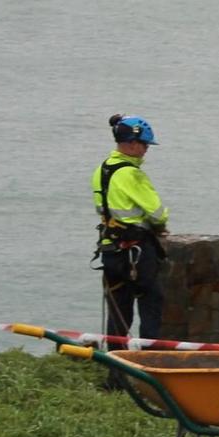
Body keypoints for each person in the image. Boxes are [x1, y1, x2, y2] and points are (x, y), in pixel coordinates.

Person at [92, 114, 169, 340]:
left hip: (110, 249)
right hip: (137, 250)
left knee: (118, 310)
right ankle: (149, 358)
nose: (146, 150)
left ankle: (117, 367)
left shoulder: (102, 170)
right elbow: (157, 213)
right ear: (133, 143)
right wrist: (160, 226)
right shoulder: (132, 174)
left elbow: (102, 207)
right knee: (151, 302)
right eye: (145, 144)